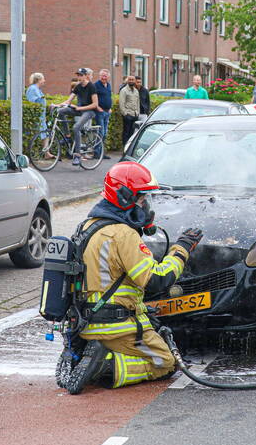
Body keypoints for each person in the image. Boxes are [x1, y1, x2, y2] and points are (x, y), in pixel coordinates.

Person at [68, 162, 203, 391]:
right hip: (117, 326)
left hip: (86, 322)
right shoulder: (123, 234)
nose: (146, 205)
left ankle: (89, 353)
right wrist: (182, 249)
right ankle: (106, 365)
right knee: (165, 363)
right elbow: (156, 280)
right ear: (125, 198)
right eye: (142, 198)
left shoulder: (88, 226)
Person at [54, 68, 99, 166]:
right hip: (79, 110)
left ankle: (77, 156)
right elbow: (68, 101)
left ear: (86, 75)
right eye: (78, 75)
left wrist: (81, 108)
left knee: (76, 127)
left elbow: (95, 104)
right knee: (61, 111)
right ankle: (68, 136)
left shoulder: (92, 87)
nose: (79, 77)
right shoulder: (78, 86)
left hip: (89, 111)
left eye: (81, 75)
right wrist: (57, 105)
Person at [26, 72, 50, 156]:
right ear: (39, 80)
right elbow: (33, 102)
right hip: (37, 117)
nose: (44, 81)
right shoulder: (33, 89)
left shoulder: (37, 89)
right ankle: (44, 153)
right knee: (41, 134)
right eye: (43, 79)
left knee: (45, 134)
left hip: (41, 117)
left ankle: (46, 152)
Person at [118, 75, 141, 149]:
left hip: (135, 115)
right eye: (130, 79)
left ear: (135, 81)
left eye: (132, 80)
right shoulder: (124, 90)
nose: (131, 81)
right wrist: (125, 114)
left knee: (132, 133)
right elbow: (121, 103)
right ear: (127, 81)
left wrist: (137, 113)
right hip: (128, 115)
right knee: (126, 133)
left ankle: (129, 148)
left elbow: (138, 103)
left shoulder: (136, 91)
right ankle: (125, 148)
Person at [93, 69, 113, 139]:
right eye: (102, 76)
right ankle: (97, 150)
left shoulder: (109, 85)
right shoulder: (95, 85)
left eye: (105, 76)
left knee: (105, 134)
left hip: (107, 112)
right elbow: (92, 98)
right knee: (100, 133)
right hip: (99, 112)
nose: (104, 78)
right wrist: (97, 107)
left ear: (108, 77)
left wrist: (110, 108)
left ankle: (101, 150)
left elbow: (109, 96)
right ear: (99, 76)